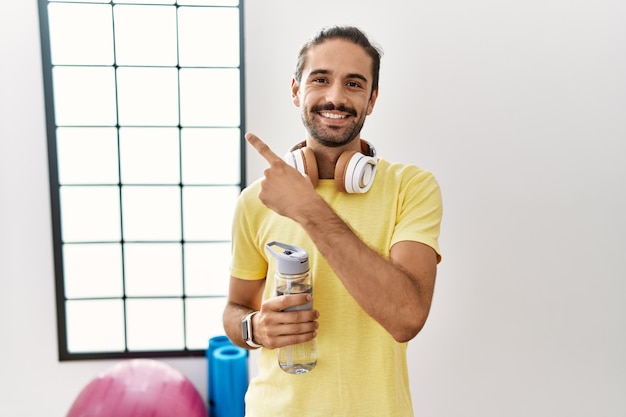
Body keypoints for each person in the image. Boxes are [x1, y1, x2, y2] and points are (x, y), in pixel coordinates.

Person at [223, 25, 443, 417]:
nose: (336, 97)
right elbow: (235, 308)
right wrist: (253, 328)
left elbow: (407, 317)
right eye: (320, 79)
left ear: (372, 99)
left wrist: (308, 208)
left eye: (354, 84)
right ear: (296, 90)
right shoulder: (256, 201)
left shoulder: (412, 188)